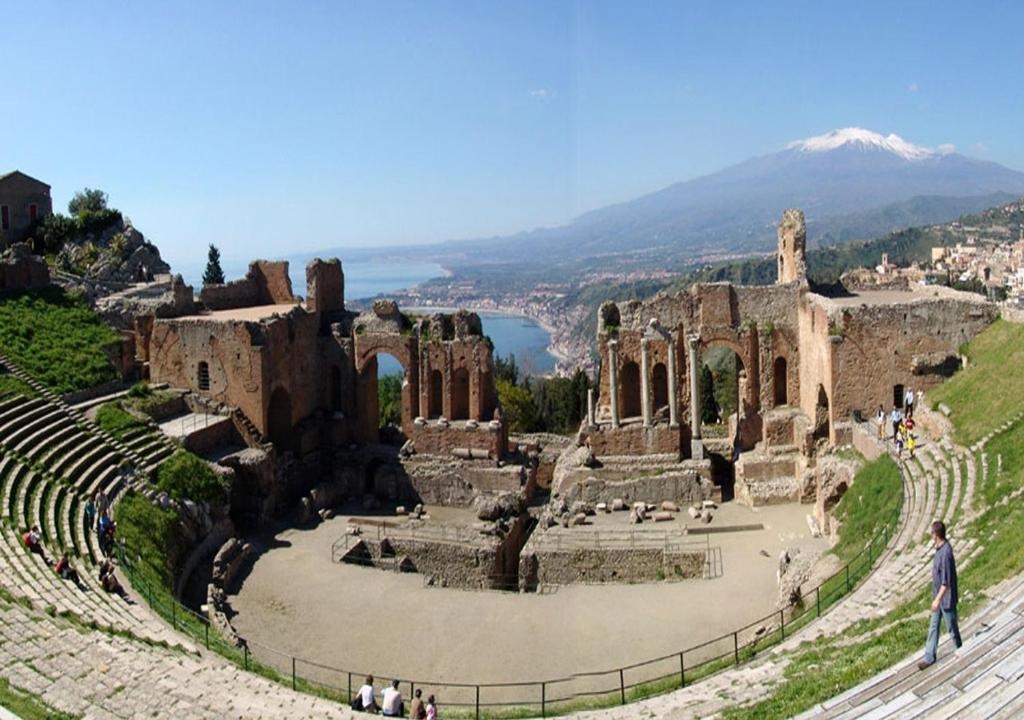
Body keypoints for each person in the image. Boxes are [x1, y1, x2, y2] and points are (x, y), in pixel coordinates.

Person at [919, 520, 962, 669]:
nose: (931, 536)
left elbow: (946, 582)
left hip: (945, 599)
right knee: (934, 626)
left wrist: (937, 600)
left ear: (936, 535)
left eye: (932, 533)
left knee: (952, 628)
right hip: (939, 597)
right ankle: (929, 656)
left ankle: (961, 650)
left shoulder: (945, 553)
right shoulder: (940, 549)